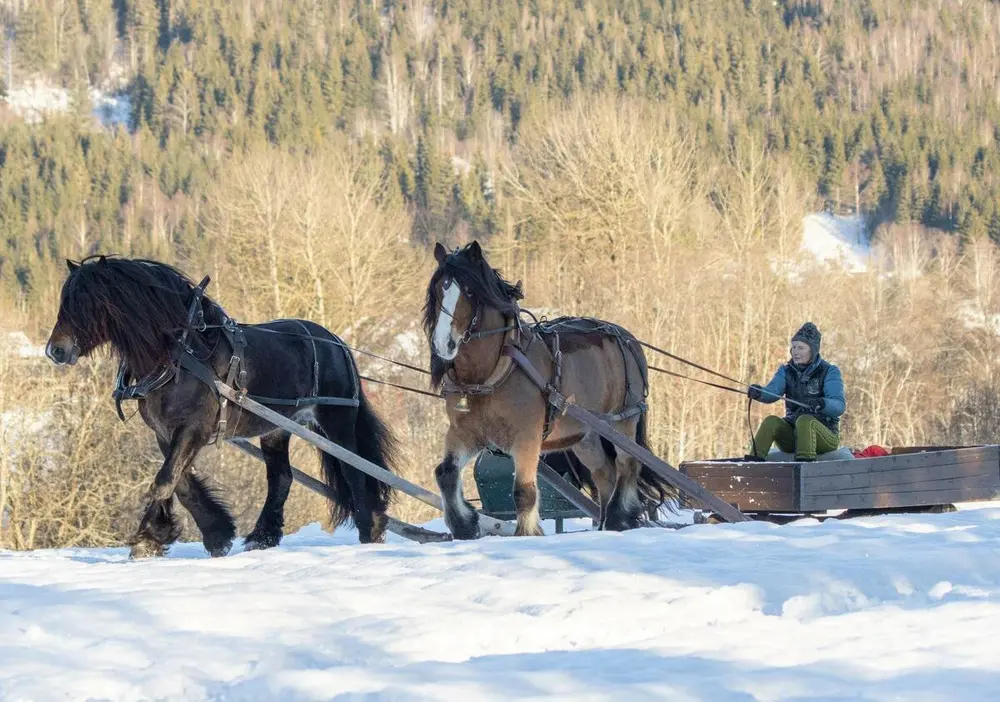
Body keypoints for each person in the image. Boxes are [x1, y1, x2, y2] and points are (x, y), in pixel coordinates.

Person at [745, 322, 846, 462]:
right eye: (793, 347)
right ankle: (752, 466)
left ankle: (803, 468)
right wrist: (760, 393)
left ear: (813, 350)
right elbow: (773, 391)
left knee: (805, 420)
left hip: (825, 435)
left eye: (801, 348)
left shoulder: (829, 371)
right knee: (771, 421)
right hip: (794, 435)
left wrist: (822, 403)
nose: (795, 352)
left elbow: (839, 405)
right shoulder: (786, 371)